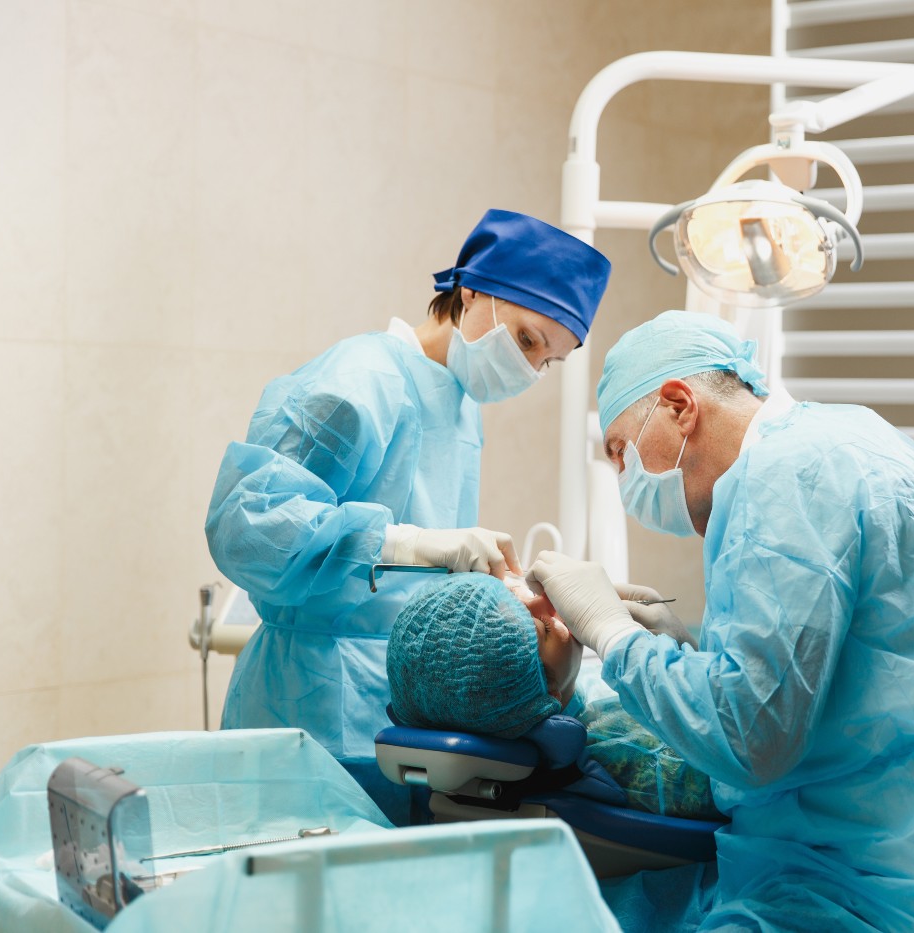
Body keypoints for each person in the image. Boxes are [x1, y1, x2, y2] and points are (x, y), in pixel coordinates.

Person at [525, 311, 914, 932]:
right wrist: (686, 652)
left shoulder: (788, 479)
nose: (624, 480)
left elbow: (754, 736)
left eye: (621, 452)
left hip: (873, 887)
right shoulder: (847, 437)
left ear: (678, 405)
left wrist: (613, 635)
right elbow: (837, 676)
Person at [205, 209, 611, 823]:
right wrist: (418, 546)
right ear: (473, 291)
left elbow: (418, 578)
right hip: (309, 704)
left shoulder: (457, 400)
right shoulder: (361, 377)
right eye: (528, 340)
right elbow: (250, 526)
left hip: (402, 716)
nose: (530, 369)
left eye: (548, 360)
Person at [385, 573, 722, 821]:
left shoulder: (481, 705)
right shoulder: (630, 754)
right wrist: (686, 659)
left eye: (511, 591)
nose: (545, 599)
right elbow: (744, 758)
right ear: (547, 693)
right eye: (544, 627)